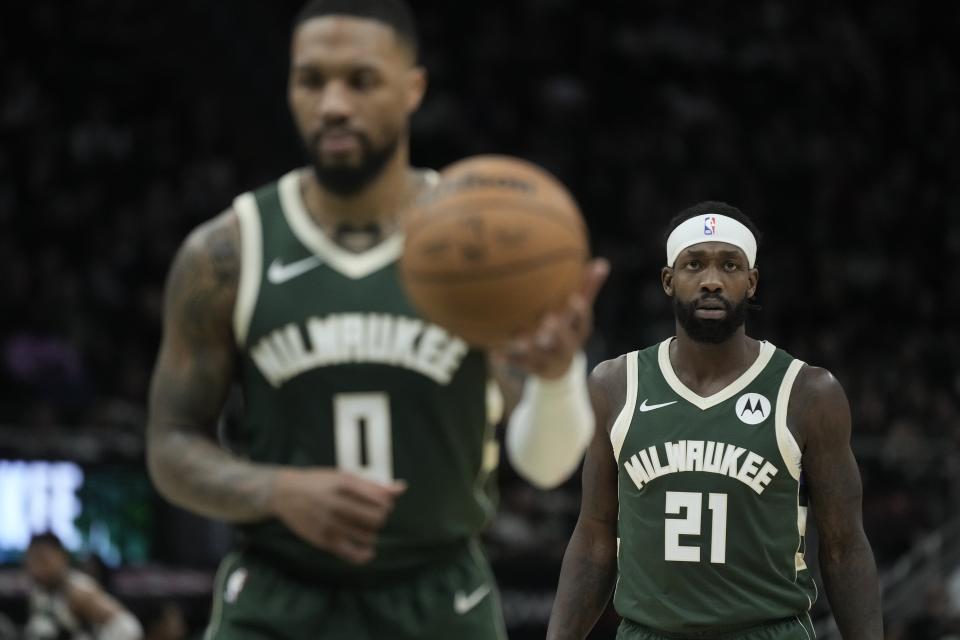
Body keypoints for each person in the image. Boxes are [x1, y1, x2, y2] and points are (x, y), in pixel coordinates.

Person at [145, 1, 607, 639]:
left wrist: (556, 379)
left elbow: (547, 465)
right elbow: (170, 445)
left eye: (360, 81)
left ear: (413, 88)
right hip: (276, 596)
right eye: (311, 81)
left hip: (439, 595)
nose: (333, 104)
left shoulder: (484, 247)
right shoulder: (228, 253)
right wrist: (274, 489)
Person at [546, 201, 883, 640]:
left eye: (730, 265)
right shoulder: (615, 385)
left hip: (768, 631)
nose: (711, 281)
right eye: (694, 264)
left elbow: (844, 546)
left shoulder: (809, 393)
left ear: (752, 281)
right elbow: (594, 538)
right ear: (669, 280)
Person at [22, 533, 143, 640]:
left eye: (43, 561)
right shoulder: (40, 591)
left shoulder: (79, 590)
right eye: (31, 562)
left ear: (62, 557)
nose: (36, 569)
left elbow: (129, 627)